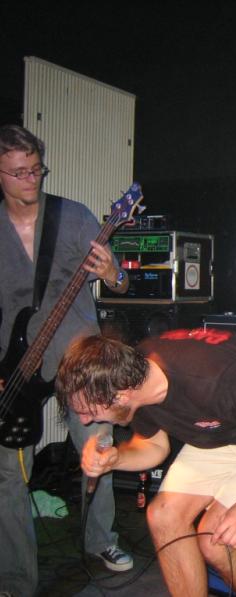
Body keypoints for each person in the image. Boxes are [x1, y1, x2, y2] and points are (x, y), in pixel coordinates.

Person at [55, 328, 236, 597]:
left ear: (121, 396)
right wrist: (116, 458)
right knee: (164, 516)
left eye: (89, 411)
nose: (85, 421)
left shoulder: (209, 375)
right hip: (227, 426)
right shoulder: (132, 378)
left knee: (216, 538)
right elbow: (154, 446)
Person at [0, 124, 132, 596]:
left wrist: (112, 272)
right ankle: (16, 578)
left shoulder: (71, 216)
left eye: (36, 169)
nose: (30, 180)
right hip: (13, 366)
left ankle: (101, 540)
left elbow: (120, 283)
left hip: (79, 359)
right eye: (19, 172)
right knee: (7, 474)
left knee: (97, 451)